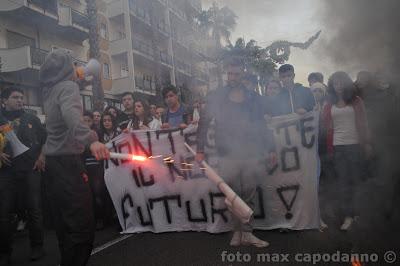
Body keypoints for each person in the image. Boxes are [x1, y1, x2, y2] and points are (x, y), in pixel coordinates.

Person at [39, 49, 109, 266]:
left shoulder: (50, 91)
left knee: (64, 226)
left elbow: (67, 91)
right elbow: (71, 114)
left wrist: (76, 77)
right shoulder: (68, 88)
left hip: (53, 166)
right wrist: (91, 139)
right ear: (67, 69)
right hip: (69, 164)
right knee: (82, 226)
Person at [196, 61, 276, 248]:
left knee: (248, 194)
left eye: (236, 74)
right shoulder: (217, 97)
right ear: (226, 75)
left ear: (242, 75)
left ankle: (247, 233)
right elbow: (204, 122)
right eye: (230, 74)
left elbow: (262, 125)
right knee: (232, 195)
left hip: (251, 153)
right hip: (226, 153)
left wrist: (271, 148)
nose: (232, 77)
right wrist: (200, 149)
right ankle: (237, 232)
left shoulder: (252, 97)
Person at [0, 87, 47, 264]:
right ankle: (4, 253)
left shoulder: (31, 118)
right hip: (6, 172)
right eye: (15, 97)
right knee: (4, 213)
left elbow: (45, 139)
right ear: (4, 100)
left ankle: (38, 247)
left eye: (22, 97)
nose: (20, 100)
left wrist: (42, 156)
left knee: (34, 210)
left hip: (30, 170)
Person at [322, 71, 372, 231]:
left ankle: (359, 214)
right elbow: (325, 126)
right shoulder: (329, 104)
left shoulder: (356, 101)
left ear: (346, 83)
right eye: (335, 83)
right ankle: (348, 216)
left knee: (356, 181)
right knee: (343, 183)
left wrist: (367, 143)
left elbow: (364, 124)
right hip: (338, 147)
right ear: (332, 85)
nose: (338, 86)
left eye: (341, 82)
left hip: (355, 146)